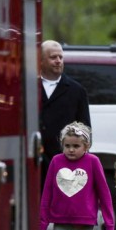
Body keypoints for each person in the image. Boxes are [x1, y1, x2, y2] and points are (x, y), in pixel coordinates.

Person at [40, 40, 91, 184]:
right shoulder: (30, 88)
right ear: (41, 61)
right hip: (36, 161)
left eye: (60, 57)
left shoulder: (76, 90)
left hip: (65, 161)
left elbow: (84, 128)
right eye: (53, 57)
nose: (58, 61)